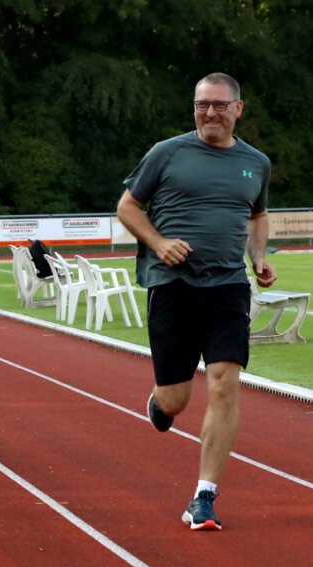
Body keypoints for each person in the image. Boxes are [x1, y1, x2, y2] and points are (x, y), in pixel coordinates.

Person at [116, 72, 276, 531]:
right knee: (177, 400)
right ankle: (161, 403)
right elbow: (128, 206)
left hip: (228, 285)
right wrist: (160, 242)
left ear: (238, 108)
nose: (209, 112)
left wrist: (259, 256)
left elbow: (259, 213)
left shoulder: (255, 163)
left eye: (219, 105)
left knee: (225, 383)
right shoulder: (167, 153)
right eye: (201, 104)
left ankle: (203, 497)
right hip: (173, 285)